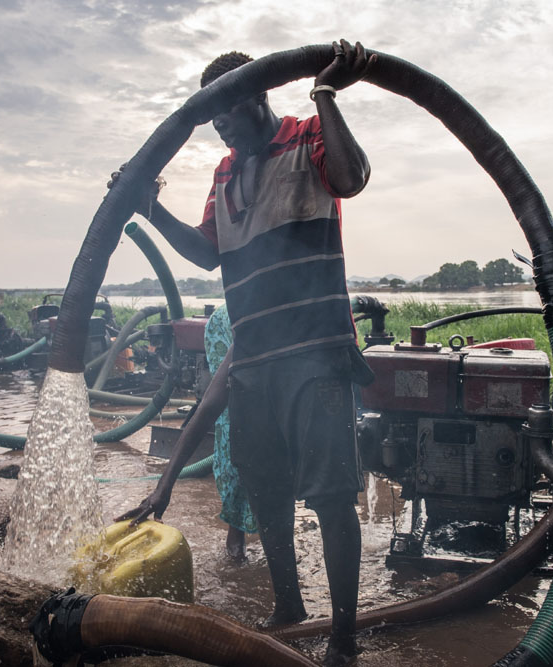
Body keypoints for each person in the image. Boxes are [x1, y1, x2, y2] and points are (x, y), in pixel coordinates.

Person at [111, 40, 376, 666]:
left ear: (258, 94)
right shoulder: (224, 174)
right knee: (266, 491)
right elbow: (207, 251)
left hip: (316, 351)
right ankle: (289, 607)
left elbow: (351, 178)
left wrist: (325, 93)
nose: (220, 125)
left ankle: (343, 639)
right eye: (211, 117)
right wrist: (149, 206)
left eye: (226, 110)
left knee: (331, 496)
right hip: (254, 358)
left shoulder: (307, 136)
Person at [118, 305, 257, 561]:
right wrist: (163, 487)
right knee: (234, 422)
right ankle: (236, 545)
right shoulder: (245, 326)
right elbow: (210, 408)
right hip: (231, 325)